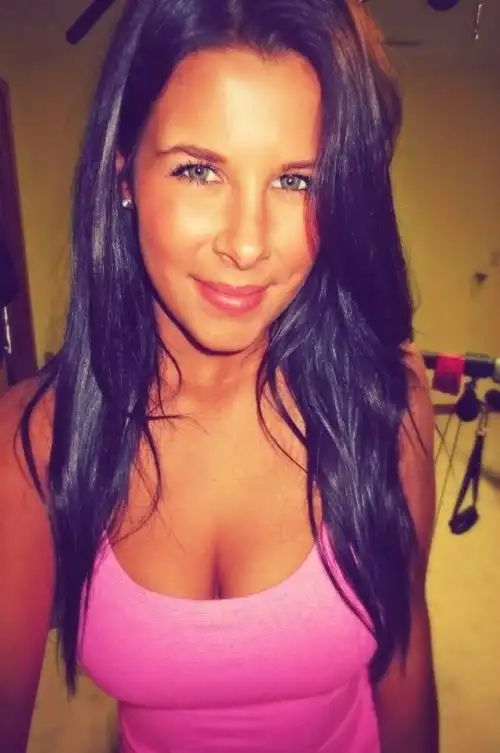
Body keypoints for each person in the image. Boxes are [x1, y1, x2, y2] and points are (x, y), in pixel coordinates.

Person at [0, 0, 439, 751]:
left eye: (296, 181)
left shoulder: (384, 402)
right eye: (200, 169)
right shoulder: (32, 444)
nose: (247, 243)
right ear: (125, 175)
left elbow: (404, 670)